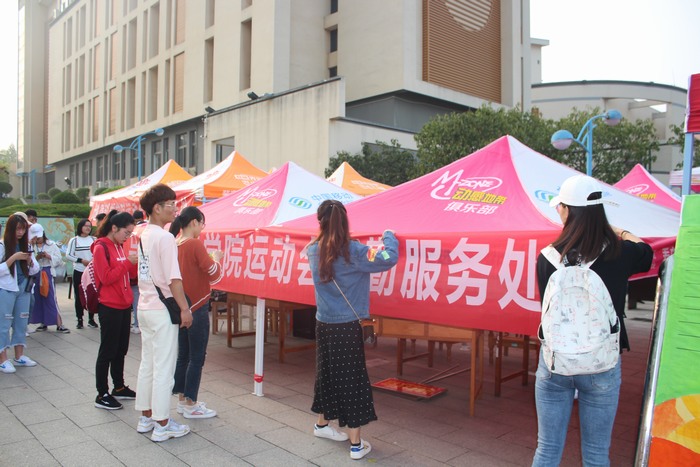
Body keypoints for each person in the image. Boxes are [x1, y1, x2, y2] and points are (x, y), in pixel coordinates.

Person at [532, 175, 653, 466]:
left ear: (566, 211)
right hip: (601, 364)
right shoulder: (620, 253)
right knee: (597, 453)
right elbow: (646, 253)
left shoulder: (547, 258)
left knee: (547, 449)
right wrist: (620, 231)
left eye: (559, 206)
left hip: (555, 363)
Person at [306, 199, 399, 460]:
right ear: (345, 222)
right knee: (352, 381)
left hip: (323, 323)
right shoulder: (354, 251)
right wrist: (389, 235)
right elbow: (388, 257)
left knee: (327, 374)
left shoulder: (312, 250)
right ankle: (356, 444)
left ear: (320, 222)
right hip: (347, 326)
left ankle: (322, 425)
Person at [135, 184, 193, 442]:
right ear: (156, 208)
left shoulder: (144, 234)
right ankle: (162, 424)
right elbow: (174, 279)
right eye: (170, 204)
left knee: (148, 364)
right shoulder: (165, 237)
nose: (174, 209)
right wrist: (185, 309)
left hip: (145, 306)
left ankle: (146, 417)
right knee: (164, 368)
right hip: (162, 309)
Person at [169, 206, 223, 419]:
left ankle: (183, 399)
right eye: (202, 224)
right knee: (197, 356)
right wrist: (217, 258)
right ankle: (191, 403)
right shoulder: (194, 244)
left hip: (182, 306)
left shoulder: (176, 243)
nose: (202, 228)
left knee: (184, 355)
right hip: (197, 306)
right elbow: (214, 273)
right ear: (194, 222)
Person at [92, 210, 138, 410]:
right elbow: (106, 277)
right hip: (109, 305)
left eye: (130, 233)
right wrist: (128, 263)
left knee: (121, 349)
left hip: (124, 304)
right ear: (114, 228)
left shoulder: (119, 246)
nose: (128, 237)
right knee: (108, 350)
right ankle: (102, 393)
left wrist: (134, 264)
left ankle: (119, 386)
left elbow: (127, 275)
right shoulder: (101, 247)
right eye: (126, 232)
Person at [0, 214, 41, 373]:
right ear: (10, 229)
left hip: (24, 289)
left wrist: (29, 260)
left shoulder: (26, 245)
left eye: (23, 229)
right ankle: (3, 359)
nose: (21, 232)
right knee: (4, 324)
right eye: (18, 229)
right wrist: (13, 258)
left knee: (21, 323)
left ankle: (19, 356)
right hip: (6, 289)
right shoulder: (2, 245)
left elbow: (35, 269)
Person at [28, 224, 70, 334]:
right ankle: (43, 322)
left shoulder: (51, 245)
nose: (37, 239)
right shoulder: (31, 246)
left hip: (47, 271)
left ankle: (59, 323)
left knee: (50, 297)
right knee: (37, 298)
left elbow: (59, 259)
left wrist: (49, 256)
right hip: (35, 273)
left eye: (39, 237)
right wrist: (36, 258)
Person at [65, 219, 97, 329]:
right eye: (85, 226)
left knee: (92, 294)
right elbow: (68, 255)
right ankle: (79, 319)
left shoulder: (94, 239)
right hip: (79, 270)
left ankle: (91, 319)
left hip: (91, 271)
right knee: (78, 296)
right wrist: (81, 260)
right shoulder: (74, 240)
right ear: (80, 227)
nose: (88, 228)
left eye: (89, 226)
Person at [130, 210, 147, 334]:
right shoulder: (148, 230)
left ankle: (137, 323)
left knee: (136, 299)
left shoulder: (133, 232)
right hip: (144, 271)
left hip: (132, 273)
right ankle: (139, 323)